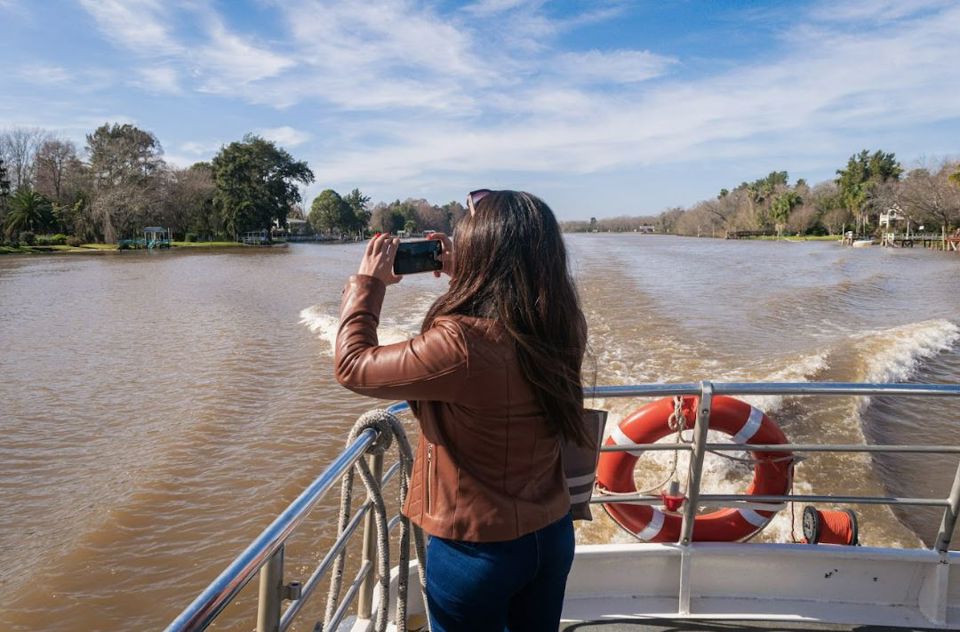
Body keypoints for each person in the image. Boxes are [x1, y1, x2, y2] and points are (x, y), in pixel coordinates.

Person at [335, 190, 589, 631]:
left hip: (476, 553)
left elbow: (352, 365)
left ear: (479, 252)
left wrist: (369, 283)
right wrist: (469, 277)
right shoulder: (563, 324)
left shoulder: (460, 345)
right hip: (551, 533)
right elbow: (508, 320)